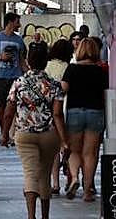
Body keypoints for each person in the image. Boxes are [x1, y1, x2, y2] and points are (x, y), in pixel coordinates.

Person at [4, 43, 68, 219]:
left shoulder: (18, 83)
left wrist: (4, 134)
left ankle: (31, 215)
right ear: (46, 62)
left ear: (28, 62)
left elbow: (9, 112)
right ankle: (45, 216)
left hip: (25, 133)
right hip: (49, 134)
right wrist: (63, 139)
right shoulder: (54, 85)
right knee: (45, 174)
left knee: (30, 173)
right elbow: (57, 114)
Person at [62, 38, 109, 202]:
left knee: (74, 151)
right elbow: (105, 96)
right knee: (90, 153)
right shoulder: (100, 71)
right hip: (95, 112)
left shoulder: (71, 69)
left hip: (75, 112)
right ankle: (88, 190)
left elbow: (63, 89)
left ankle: (74, 177)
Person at [0, 12, 28, 146]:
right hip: (0, 76)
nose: (19, 25)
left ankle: (9, 133)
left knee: (14, 106)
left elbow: (22, 59)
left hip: (15, 77)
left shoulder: (19, 40)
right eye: (18, 21)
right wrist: (0, 57)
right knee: (2, 105)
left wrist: (28, 74)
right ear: (11, 22)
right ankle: (4, 132)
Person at [44, 39, 74, 194]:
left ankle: (54, 183)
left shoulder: (46, 67)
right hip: (67, 109)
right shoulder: (69, 68)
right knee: (68, 145)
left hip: (49, 111)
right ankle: (71, 176)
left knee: (53, 150)